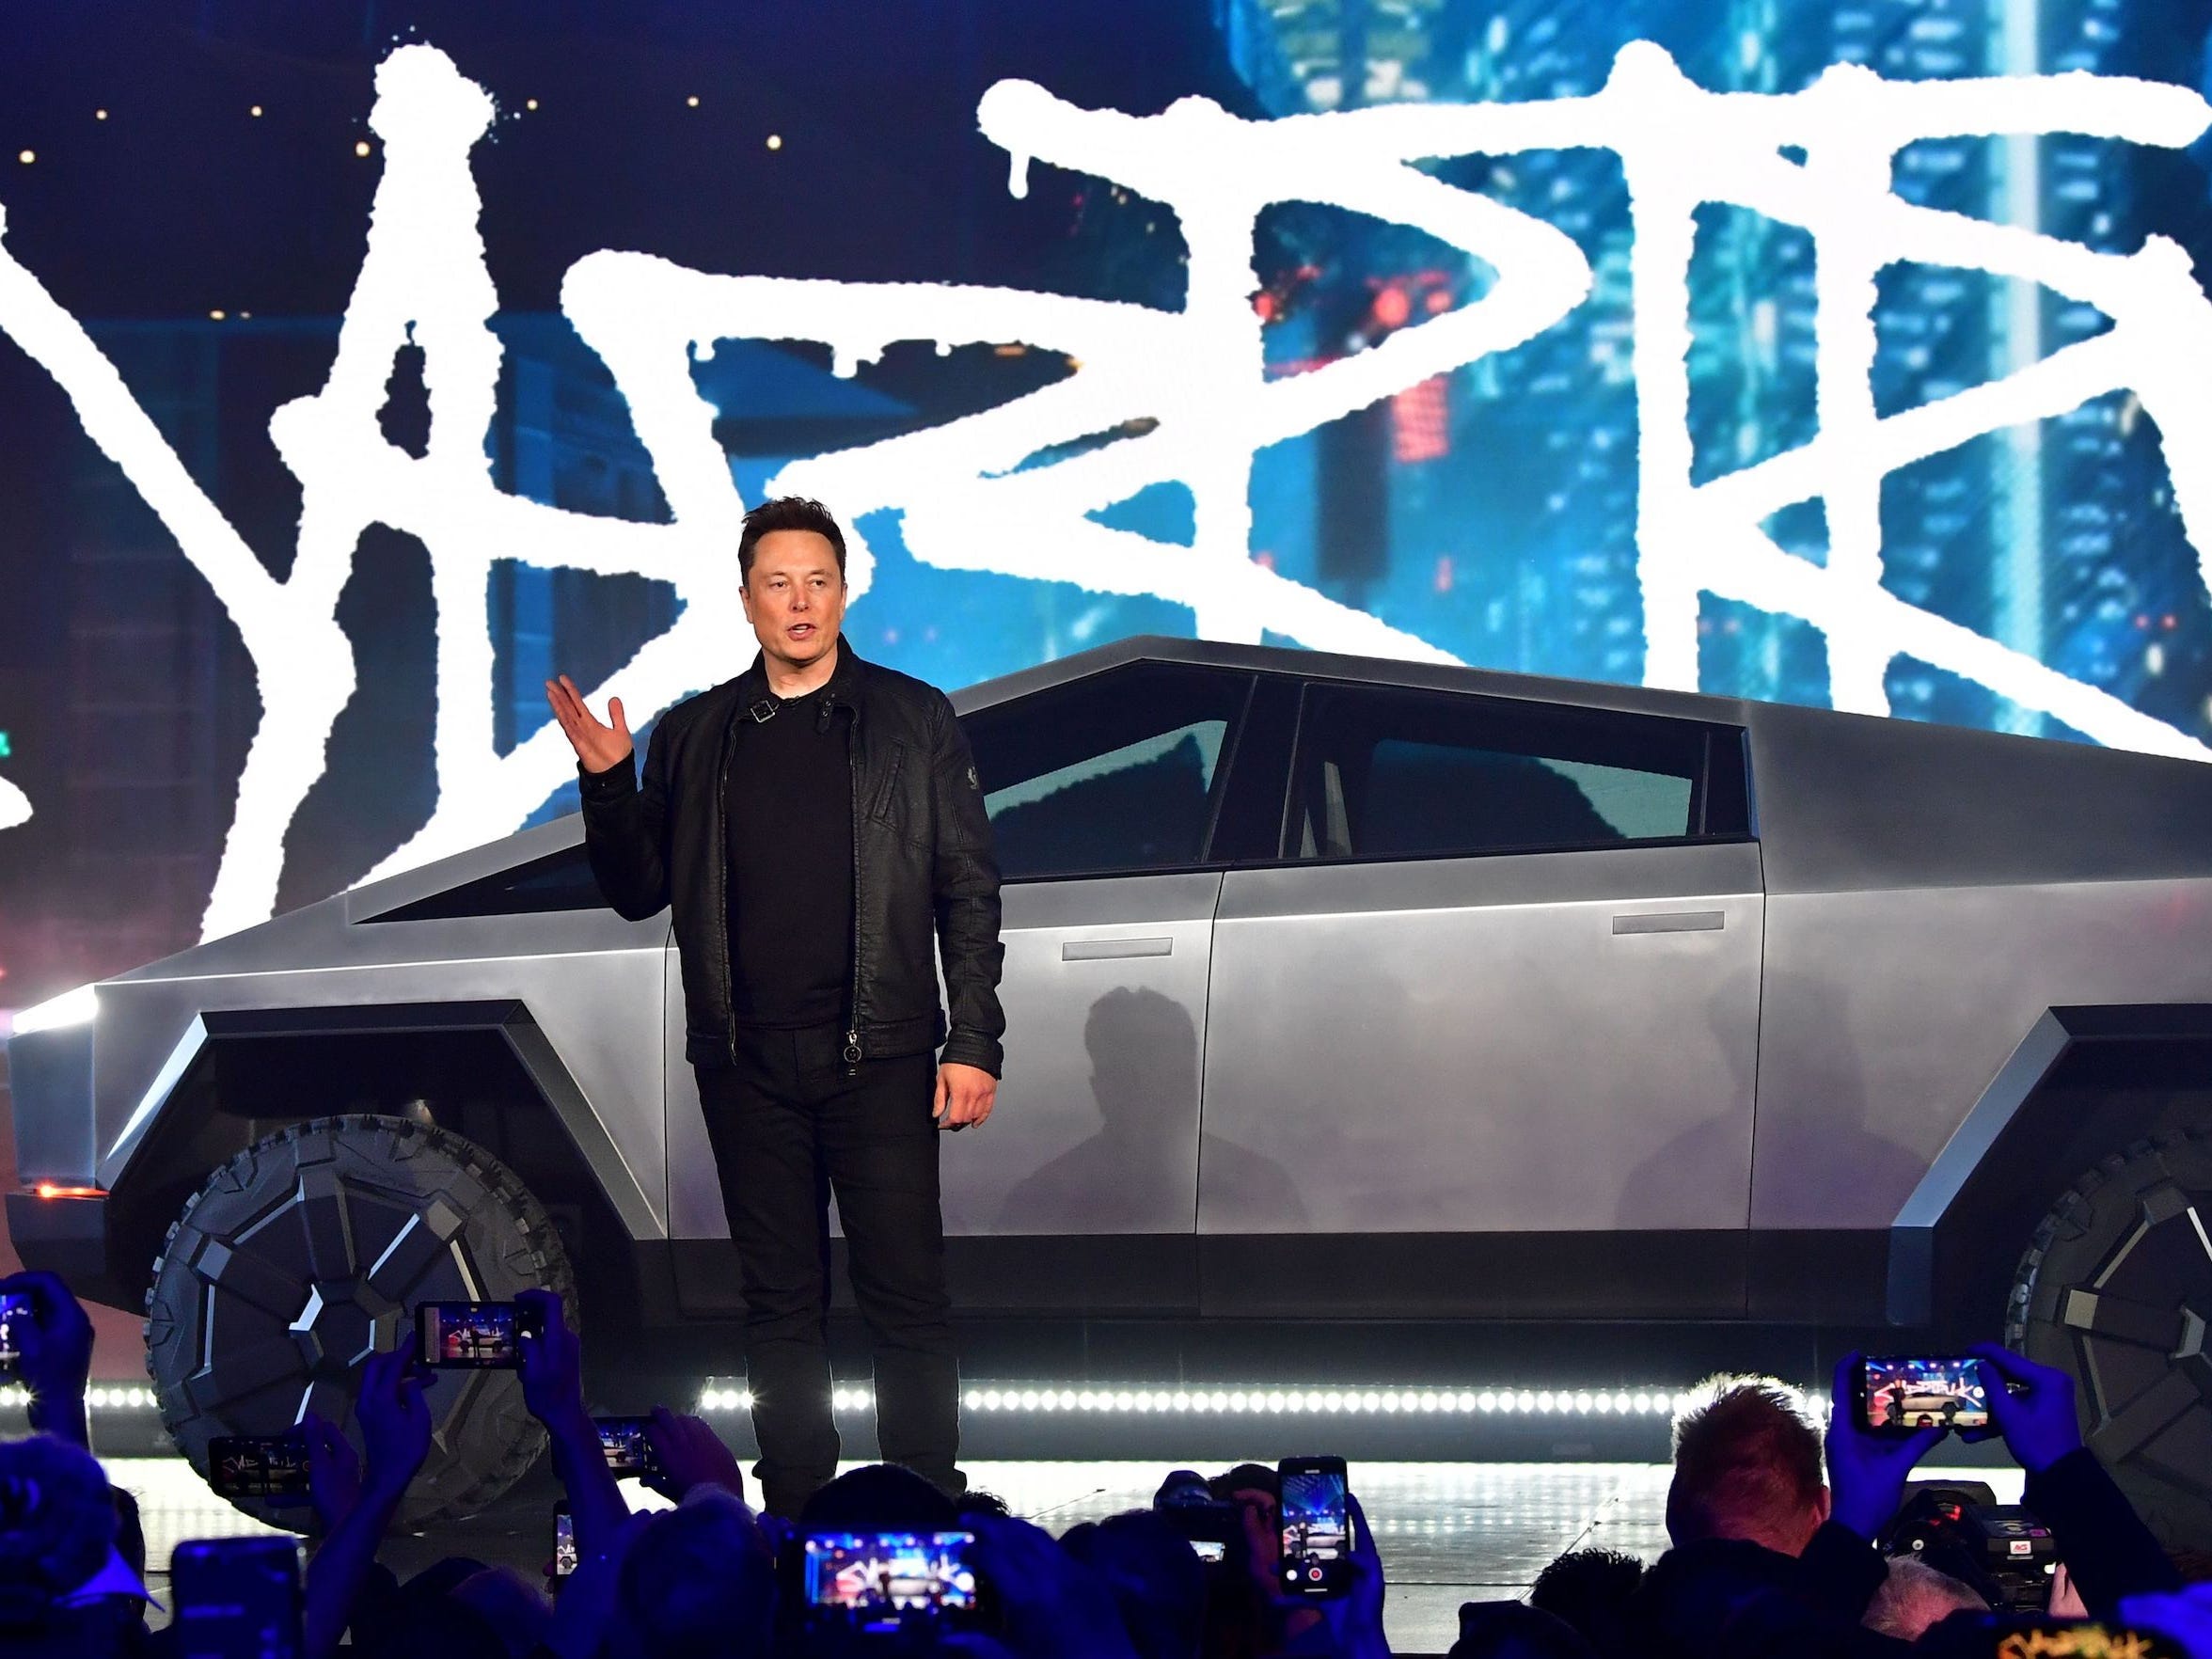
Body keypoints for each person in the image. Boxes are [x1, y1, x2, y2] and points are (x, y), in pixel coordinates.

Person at [548, 494, 1005, 1515]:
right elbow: (637, 890)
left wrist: (974, 1037)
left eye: (819, 581)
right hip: (746, 1060)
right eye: (777, 584)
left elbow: (967, 887)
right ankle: (794, 1511)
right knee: (779, 1305)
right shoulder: (696, 732)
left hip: (882, 1053)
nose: (800, 603)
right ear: (746, 600)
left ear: (845, 592)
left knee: (906, 1298)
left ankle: (926, 1502)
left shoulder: (912, 717)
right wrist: (610, 787)